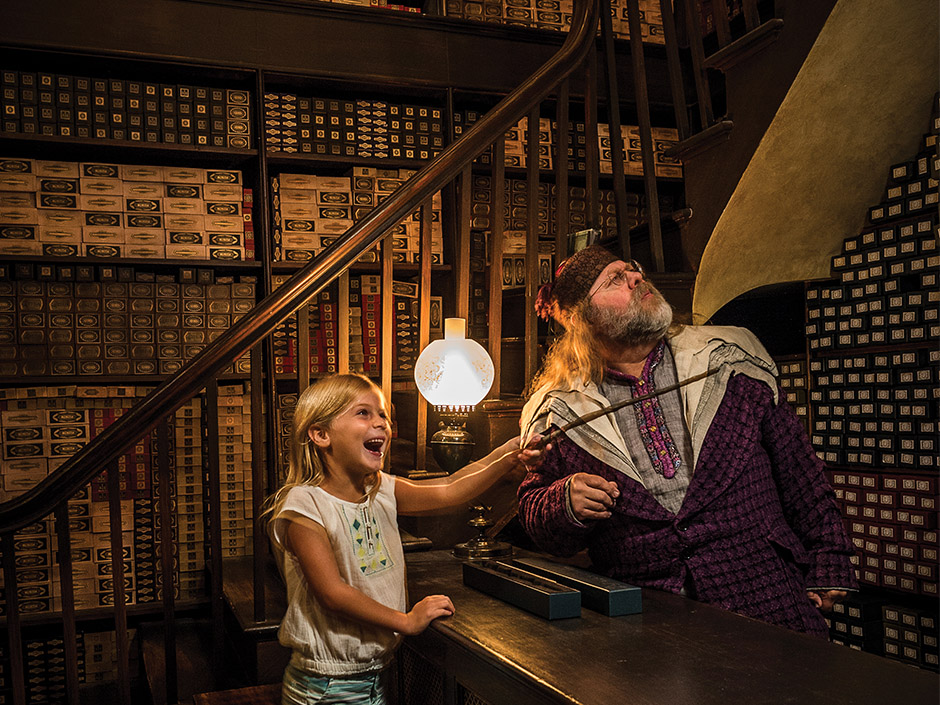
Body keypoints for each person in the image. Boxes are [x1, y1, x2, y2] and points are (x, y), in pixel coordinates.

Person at [517, 244, 857, 638]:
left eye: (632, 269)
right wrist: (563, 501)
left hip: (767, 599)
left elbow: (800, 470)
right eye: (614, 278)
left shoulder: (729, 360)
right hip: (650, 623)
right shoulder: (559, 408)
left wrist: (830, 557)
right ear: (581, 317)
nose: (636, 277)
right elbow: (537, 515)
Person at [264, 373, 545, 705]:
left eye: (383, 414)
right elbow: (333, 594)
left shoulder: (380, 489)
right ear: (321, 434)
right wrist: (406, 621)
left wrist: (507, 454)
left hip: (371, 676)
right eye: (363, 413)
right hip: (326, 686)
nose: (382, 423)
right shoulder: (305, 504)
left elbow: (449, 488)